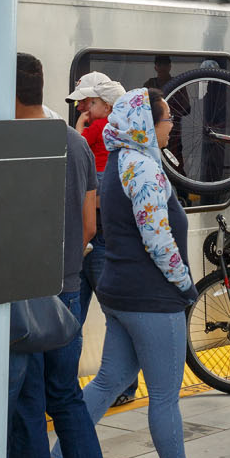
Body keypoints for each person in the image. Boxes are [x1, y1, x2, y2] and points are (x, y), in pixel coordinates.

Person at [47, 86, 230, 458]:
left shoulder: (118, 163)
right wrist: (185, 283)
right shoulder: (144, 169)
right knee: (165, 394)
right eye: (167, 119)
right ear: (147, 124)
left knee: (110, 379)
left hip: (120, 293)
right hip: (153, 297)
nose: (171, 127)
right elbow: (157, 236)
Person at [7, 53, 117, 458]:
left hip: (20, 299)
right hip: (67, 293)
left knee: (27, 411)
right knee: (67, 400)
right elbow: (90, 226)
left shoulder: (2, 145)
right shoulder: (74, 143)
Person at [65, 70, 138, 405]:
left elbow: (79, 145)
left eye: (88, 101)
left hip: (94, 234)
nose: (81, 106)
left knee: (74, 315)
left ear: (106, 104)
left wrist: (80, 128)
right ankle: (120, 385)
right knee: (107, 315)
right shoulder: (123, 132)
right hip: (96, 233)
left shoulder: (99, 129)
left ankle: (75, 385)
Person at [68, 71, 126, 174]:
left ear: (106, 106)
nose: (79, 108)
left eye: (85, 101)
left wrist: (79, 124)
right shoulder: (124, 125)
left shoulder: (98, 126)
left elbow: (78, 147)